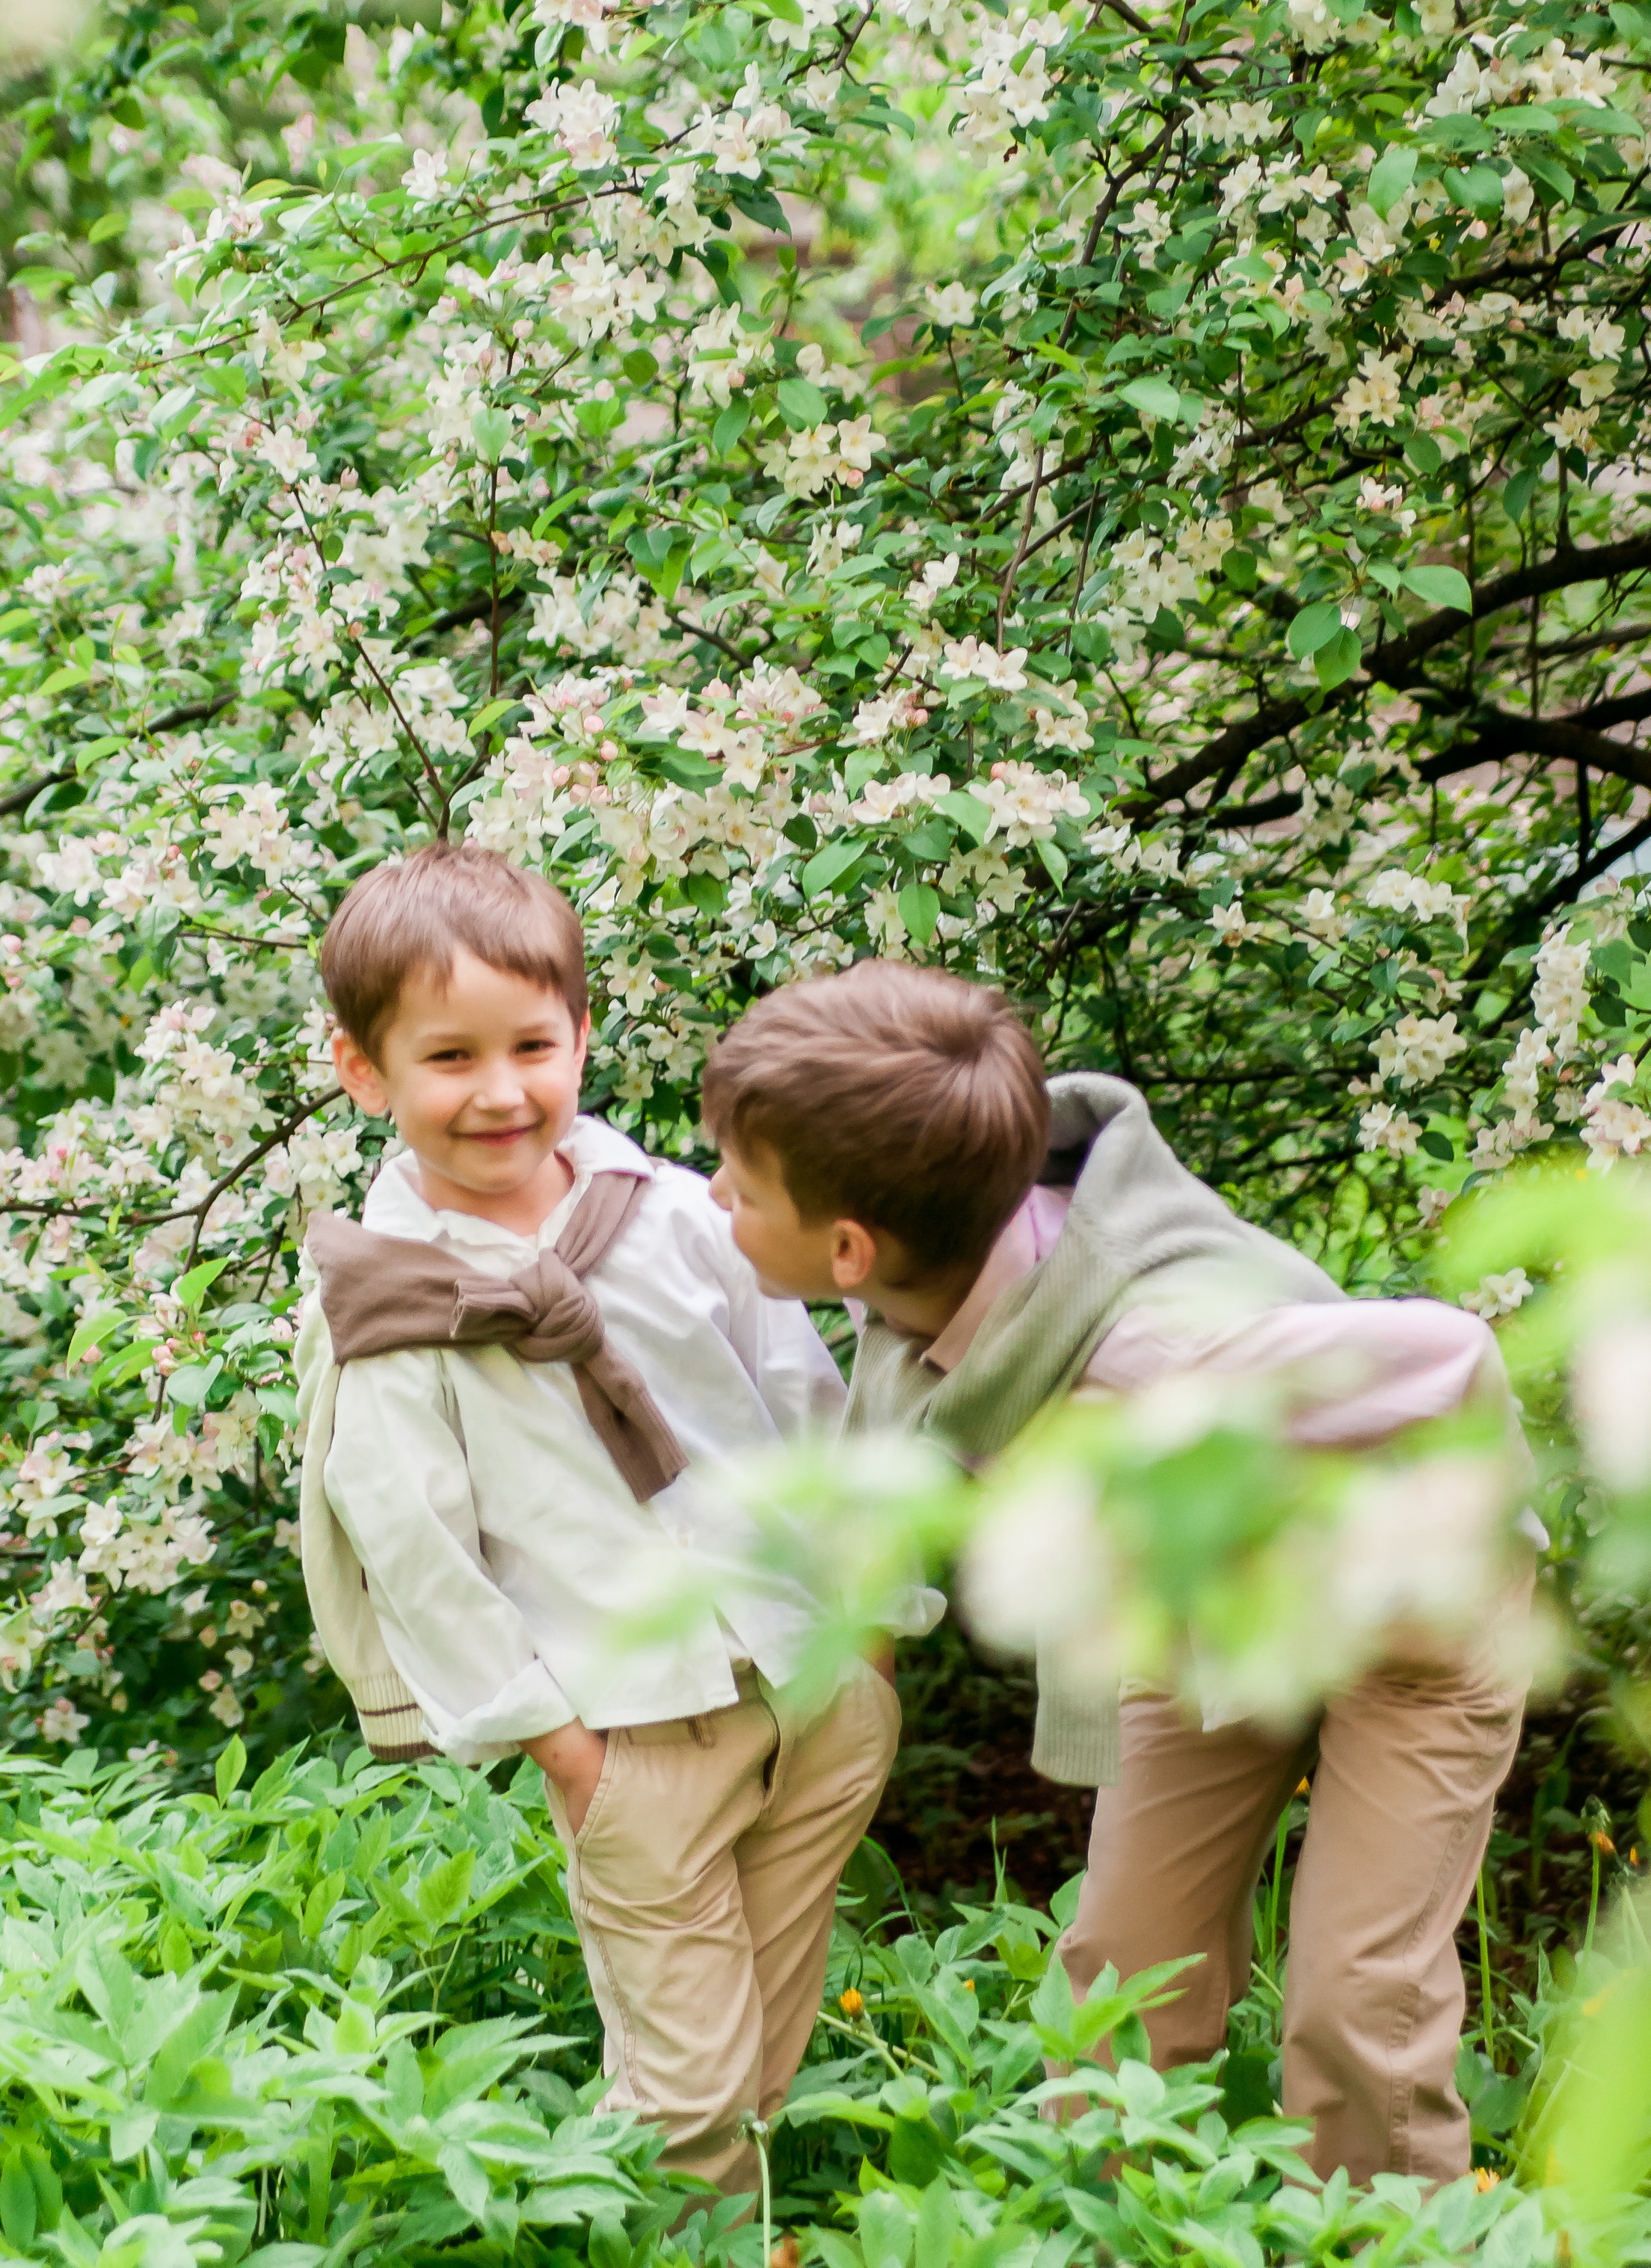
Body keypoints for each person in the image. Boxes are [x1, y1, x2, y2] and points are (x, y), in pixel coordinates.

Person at [701, 958, 1534, 2188]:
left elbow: (1451, 1354)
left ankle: (1386, 2225)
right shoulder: (933, 1278)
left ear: (846, 1246)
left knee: (1357, 1993)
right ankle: (1115, 2216)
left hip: (1408, 1622)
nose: (712, 1190)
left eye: (738, 1181)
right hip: (1208, 1624)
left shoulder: (1154, 1352)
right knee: (1120, 1975)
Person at [295, 843, 910, 2193]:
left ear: (582, 1032)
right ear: (365, 1070)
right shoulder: (393, 1303)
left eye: (531, 1043)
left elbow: (806, 1405)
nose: (501, 1091)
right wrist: (560, 1744)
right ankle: (691, 2226)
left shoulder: (685, 1215)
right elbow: (413, 1545)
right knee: (686, 2087)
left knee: (764, 2029)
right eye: (448, 1057)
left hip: (808, 1675)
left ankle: (745, 2226)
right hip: (631, 1728)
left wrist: (871, 1625)